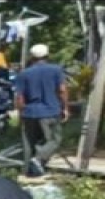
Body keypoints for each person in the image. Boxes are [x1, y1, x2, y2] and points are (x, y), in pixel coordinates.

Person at [15, 44, 69, 177]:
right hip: (50, 111)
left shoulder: (24, 73)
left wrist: (21, 113)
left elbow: (19, 97)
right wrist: (65, 108)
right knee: (54, 140)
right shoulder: (56, 70)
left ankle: (28, 172)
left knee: (29, 143)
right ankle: (38, 159)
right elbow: (62, 90)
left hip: (29, 112)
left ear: (31, 57)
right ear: (47, 56)